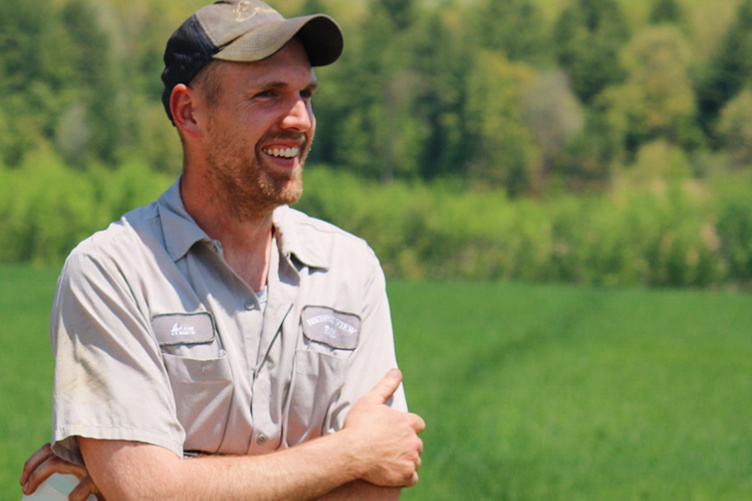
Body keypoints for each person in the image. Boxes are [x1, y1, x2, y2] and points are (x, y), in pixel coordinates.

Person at [19, 0, 425, 499]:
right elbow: (151, 492)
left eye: (306, 94)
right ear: (189, 112)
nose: (299, 119)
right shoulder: (112, 271)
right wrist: (346, 454)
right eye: (268, 95)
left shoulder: (349, 269)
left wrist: (184, 474)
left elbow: (379, 482)